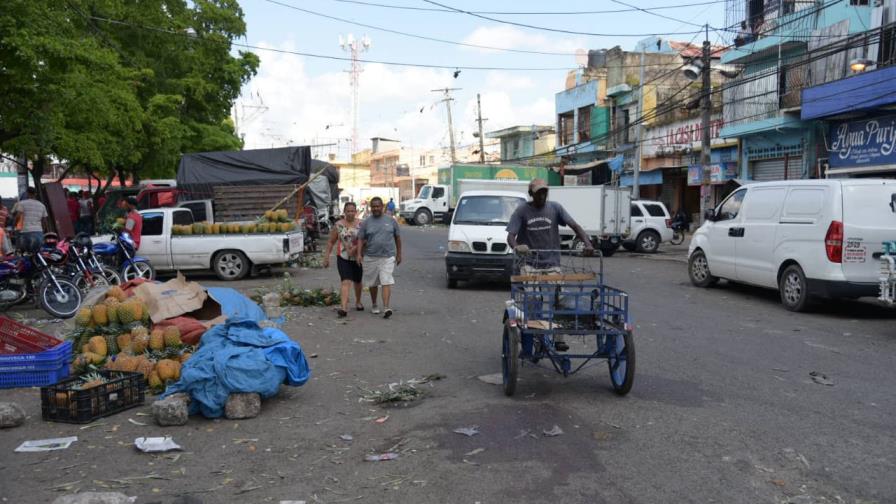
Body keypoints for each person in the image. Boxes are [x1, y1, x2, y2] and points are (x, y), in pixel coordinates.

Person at [505, 178, 594, 351]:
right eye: (538, 193)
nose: (542, 196)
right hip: (530, 263)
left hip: (552, 262)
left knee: (559, 298)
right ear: (531, 194)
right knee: (533, 299)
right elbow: (510, 236)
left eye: (544, 192)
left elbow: (574, 226)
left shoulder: (555, 208)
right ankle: (534, 333)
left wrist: (588, 244)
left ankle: (558, 337)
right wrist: (517, 247)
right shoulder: (522, 211)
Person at [356, 196, 401, 319]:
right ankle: (374, 304)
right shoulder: (366, 222)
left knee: (386, 280)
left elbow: (397, 237)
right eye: (374, 206)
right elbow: (360, 239)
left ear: (382, 207)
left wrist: (399, 254)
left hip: (387, 256)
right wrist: (359, 254)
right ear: (371, 208)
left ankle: (386, 307)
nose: (376, 208)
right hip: (371, 256)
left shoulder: (391, 221)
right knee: (373, 283)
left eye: (378, 206)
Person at [323, 201, 365, 318]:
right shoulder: (338, 225)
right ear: (344, 212)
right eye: (348, 211)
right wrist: (326, 257)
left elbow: (365, 240)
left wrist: (356, 249)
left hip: (357, 257)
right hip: (343, 257)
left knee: (357, 281)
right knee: (346, 281)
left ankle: (358, 301)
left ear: (356, 212)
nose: (350, 213)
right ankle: (344, 307)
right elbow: (331, 242)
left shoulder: (361, 225)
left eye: (352, 211)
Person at [12, 187, 48, 252]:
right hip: (38, 232)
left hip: (25, 231)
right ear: (35, 194)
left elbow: (18, 216)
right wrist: (43, 230)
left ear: (27, 193)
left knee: (25, 253)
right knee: (36, 253)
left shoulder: (22, 203)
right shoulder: (42, 205)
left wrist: (14, 225)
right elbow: (44, 221)